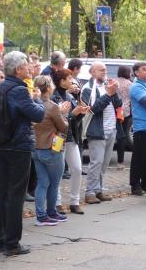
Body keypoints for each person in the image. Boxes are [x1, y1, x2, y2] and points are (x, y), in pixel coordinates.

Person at [0, 51, 45, 256]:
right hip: (18, 145)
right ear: (18, 69)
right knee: (16, 195)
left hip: (2, 143)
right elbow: (38, 114)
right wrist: (37, 100)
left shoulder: (0, 87)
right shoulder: (19, 90)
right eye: (26, 65)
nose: (29, 68)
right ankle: (12, 243)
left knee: (1, 192)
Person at [82, 61, 122, 204]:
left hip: (111, 129)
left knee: (104, 163)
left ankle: (98, 190)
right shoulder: (88, 89)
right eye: (100, 70)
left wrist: (114, 92)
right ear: (92, 73)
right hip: (97, 131)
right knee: (96, 162)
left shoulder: (107, 86)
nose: (104, 72)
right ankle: (90, 192)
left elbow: (119, 105)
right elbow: (93, 109)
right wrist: (108, 94)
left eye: (105, 70)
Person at [32, 76, 69, 225]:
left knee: (42, 182)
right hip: (52, 147)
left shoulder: (33, 103)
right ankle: (51, 211)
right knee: (54, 183)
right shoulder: (52, 106)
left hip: (36, 148)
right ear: (48, 88)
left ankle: (41, 215)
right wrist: (64, 114)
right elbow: (63, 126)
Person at [52, 69, 88, 215]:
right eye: (69, 78)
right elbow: (58, 119)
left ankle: (74, 201)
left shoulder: (69, 96)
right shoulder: (54, 97)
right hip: (58, 138)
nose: (72, 81)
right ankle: (57, 202)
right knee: (57, 171)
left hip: (71, 137)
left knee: (77, 169)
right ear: (61, 81)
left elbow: (73, 119)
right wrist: (74, 114)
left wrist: (81, 113)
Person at [129, 61, 146, 195]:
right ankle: (135, 184)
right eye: (144, 69)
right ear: (136, 73)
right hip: (141, 127)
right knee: (139, 157)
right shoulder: (136, 87)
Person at [116, 65, 133, 169]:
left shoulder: (114, 81)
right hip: (125, 112)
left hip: (114, 111)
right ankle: (120, 161)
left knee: (115, 135)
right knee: (122, 136)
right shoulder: (129, 84)